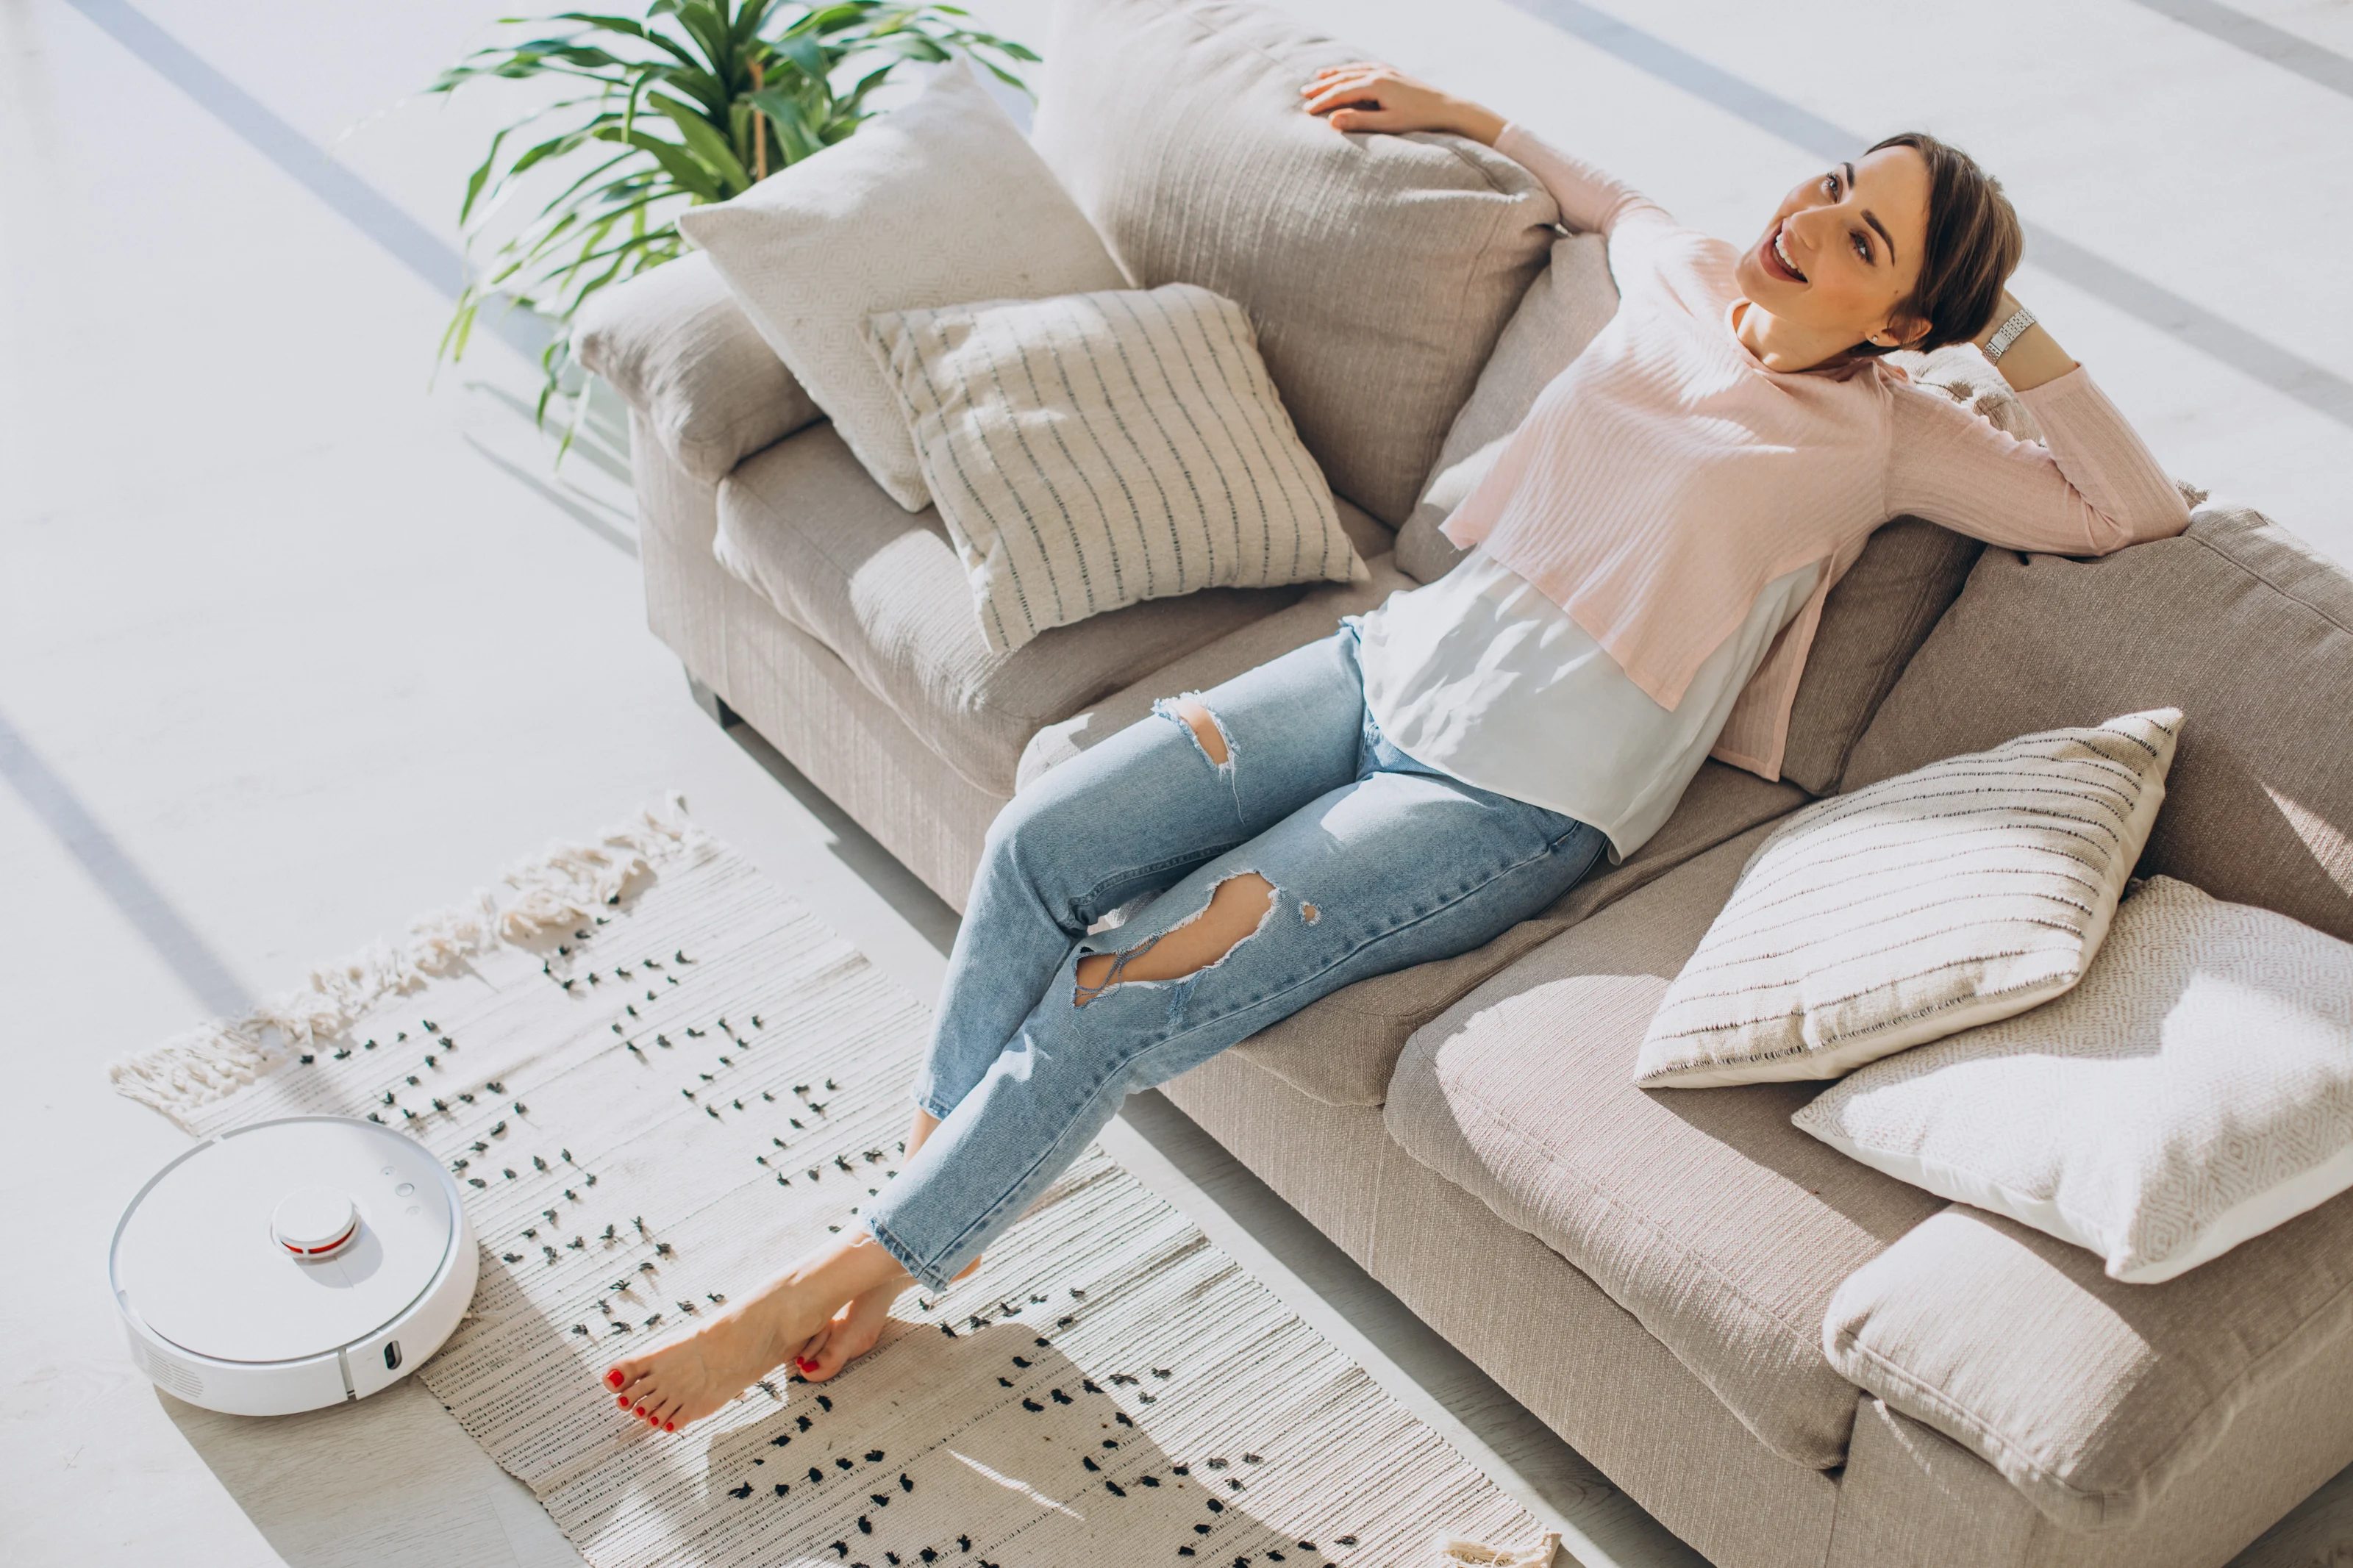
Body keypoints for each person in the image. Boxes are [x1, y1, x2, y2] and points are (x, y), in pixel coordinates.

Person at [603, 65, 2191, 1433]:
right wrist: (1460, 114)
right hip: (1381, 667)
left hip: (1509, 794)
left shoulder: (1897, 434)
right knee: (1041, 842)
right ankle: (904, 1231)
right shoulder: (1690, 274)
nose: (1812, 216)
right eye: (1836, 182)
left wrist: (2011, 323)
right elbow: (1605, 193)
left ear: (1907, 315)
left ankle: (836, 1272)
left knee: (1123, 978)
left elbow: (2127, 508)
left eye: (1864, 236)